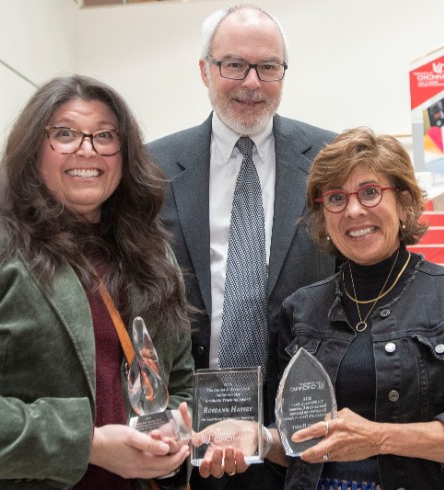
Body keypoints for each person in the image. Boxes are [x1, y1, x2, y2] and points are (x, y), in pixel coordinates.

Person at [0, 75, 195, 489]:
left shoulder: (155, 260)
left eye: (105, 135)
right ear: (32, 147)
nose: (87, 148)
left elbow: (179, 386)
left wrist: (170, 431)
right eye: (64, 134)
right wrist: (85, 444)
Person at [147, 4, 337, 488]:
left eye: (268, 67)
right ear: (204, 70)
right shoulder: (152, 168)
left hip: (297, 434)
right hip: (184, 430)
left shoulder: (329, 160)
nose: (252, 82)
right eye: (234, 64)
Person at [269, 128, 444, 489]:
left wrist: (378, 438)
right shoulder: (300, 310)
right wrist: (256, 440)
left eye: (370, 192)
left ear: (403, 203)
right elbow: (294, 439)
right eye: (336, 198)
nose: (354, 210)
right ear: (324, 217)